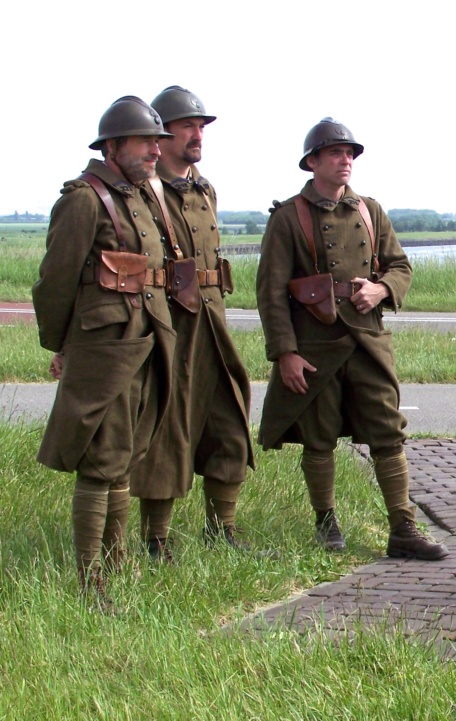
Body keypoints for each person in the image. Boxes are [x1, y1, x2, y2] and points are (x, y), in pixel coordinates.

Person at [256, 118, 447, 560]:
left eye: (351, 154)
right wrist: (285, 352)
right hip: (315, 344)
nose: (346, 161)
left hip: (367, 339)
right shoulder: (288, 217)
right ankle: (326, 523)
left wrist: (381, 289)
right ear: (313, 162)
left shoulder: (369, 210)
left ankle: (402, 529)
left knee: (387, 433)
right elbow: (270, 292)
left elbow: (399, 266)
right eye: (336, 153)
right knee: (319, 438)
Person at [32, 96, 176, 608]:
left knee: (123, 460)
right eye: (144, 142)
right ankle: (91, 582)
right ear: (112, 146)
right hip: (104, 346)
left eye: (158, 143)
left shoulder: (141, 197)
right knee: (100, 464)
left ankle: (118, 567)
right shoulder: (85, 199)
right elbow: (55, 283)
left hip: (145, 341)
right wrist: (61, 345)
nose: (155, 152)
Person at [131, 86, 254, 560]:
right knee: (167, 426)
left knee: (228, 417)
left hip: (212, 321)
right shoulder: (145, 190)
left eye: (201, 126)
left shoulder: (204, 188)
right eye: (188, 126)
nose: (198, 134)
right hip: (169, 325)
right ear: (162, 133)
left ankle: (222, 529)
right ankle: (155, 539)